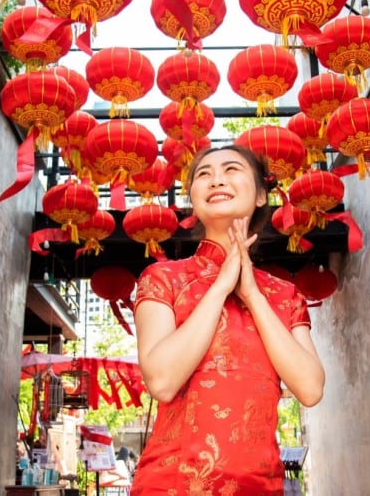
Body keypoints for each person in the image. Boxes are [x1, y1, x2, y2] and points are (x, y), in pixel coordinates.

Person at [130, 145, 326, 495]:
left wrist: (251, 294)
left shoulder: (284, 295)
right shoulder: (163, 278)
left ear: (262, 195)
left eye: (231, 169)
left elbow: (310, 389)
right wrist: (221, 286)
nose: (216, 179)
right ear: (193, 197)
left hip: (260, 486)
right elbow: (161, 380)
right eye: (203, 174)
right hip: (174, 484)